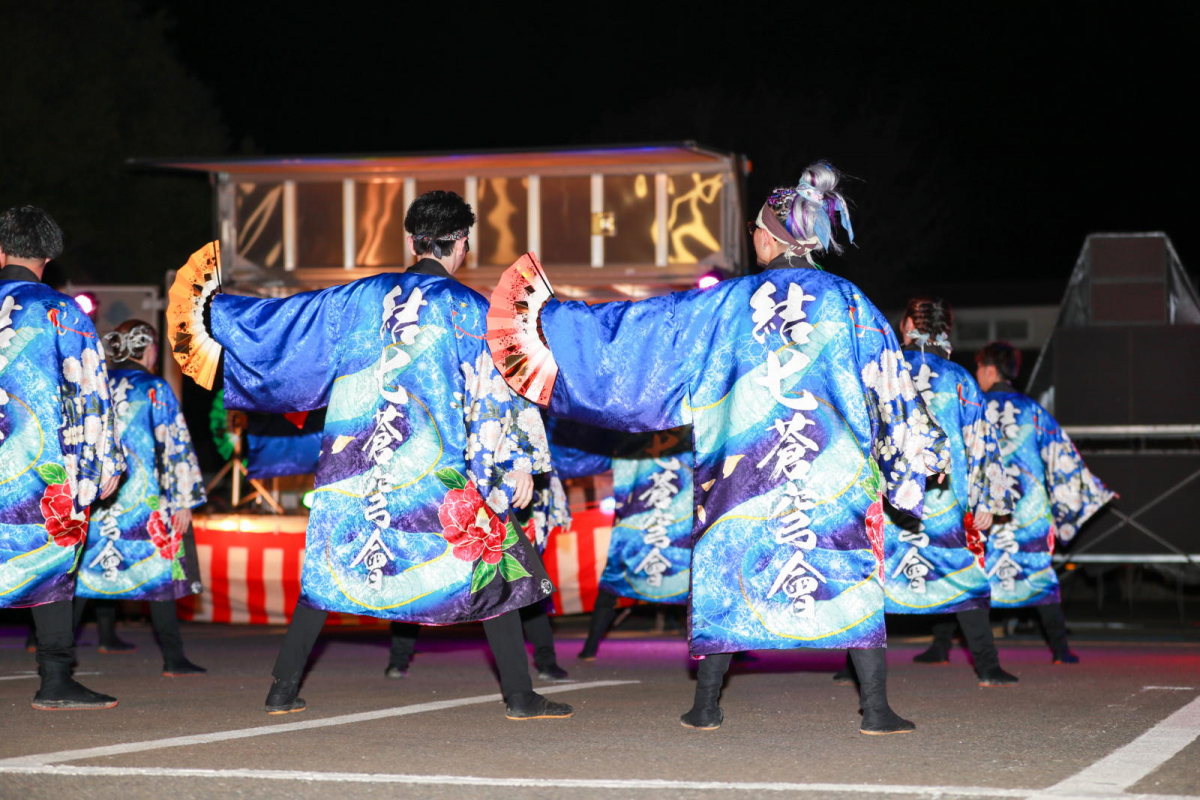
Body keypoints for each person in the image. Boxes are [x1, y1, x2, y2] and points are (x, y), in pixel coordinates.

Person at [486, 163, 949, 734]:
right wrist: (918, 452)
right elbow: (891, 384)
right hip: (831, 479)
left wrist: (549, 324)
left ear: (772, 238)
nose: (753, 238)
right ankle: (875, 709)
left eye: (755, 229)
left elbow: (645, 332)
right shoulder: (849, 302)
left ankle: (706, 706)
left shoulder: (728, 304)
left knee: (728, 575)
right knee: (848, 576)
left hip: (744, 477)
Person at [167, 191, 572, 721]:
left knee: (331, 569)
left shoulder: (357, 298)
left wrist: (217, 311)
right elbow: (498, 389)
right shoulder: (470, 309)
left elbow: (286, 326)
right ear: (461, 244)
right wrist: (516, 460)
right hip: (436, 476)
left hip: (355, 468)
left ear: (412, 241)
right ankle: (519, 696)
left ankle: (282, 689)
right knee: (490, 562)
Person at [835, 297, 1017, 687]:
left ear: (905, 327)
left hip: (886, 497)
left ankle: (853, 669)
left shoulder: (883, 370)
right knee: (963, 575)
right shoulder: (959, 379)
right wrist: (987, 499)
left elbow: (856, 430)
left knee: (872, 579)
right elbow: (981, 440)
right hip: (943, 499)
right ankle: (988, 667)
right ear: (945, 332)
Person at [0, 205, 125, 710]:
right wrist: (104, 461)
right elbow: (89, 389)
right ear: (47, 258)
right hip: (41, 470)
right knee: (49, 566)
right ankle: (55, 679)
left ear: (0, 252)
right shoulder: (61, 311)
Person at [963, 341, 1112, 663]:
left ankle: (941, 648)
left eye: (979, 368)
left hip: (984, 509)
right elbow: (1061, 456)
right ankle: (1060, 649)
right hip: (1028, 511)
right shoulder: (1032, 410)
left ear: (990, 369)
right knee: (1038, 575)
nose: (976, 374)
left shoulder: (973, 407)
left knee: (962, 575)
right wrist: (1087, 492)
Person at [74, 319, 207, 676]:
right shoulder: (153, 388)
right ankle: (173, 658)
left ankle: (56, 656)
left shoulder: (97, 382)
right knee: (157, 573)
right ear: (149, 350)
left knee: (87, 574)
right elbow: (174, 443)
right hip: (145, 499)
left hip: (100, 497)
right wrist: (183, 499)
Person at [384, 469, 572, 681]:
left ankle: (546, 662)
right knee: (423, 580)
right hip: (457, 501)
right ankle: (398, 658)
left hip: (510, 503)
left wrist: (558, 505)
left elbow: (542, 459)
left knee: (526, 586)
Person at [579, 426, 694, 660]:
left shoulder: (637, 426)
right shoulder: (685, 428)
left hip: (649, 521)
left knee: (614, 582)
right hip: (670, 523)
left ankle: (590, 648)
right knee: (697, 583)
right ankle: (590, 646)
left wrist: (623, 509)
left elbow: (623, 476)